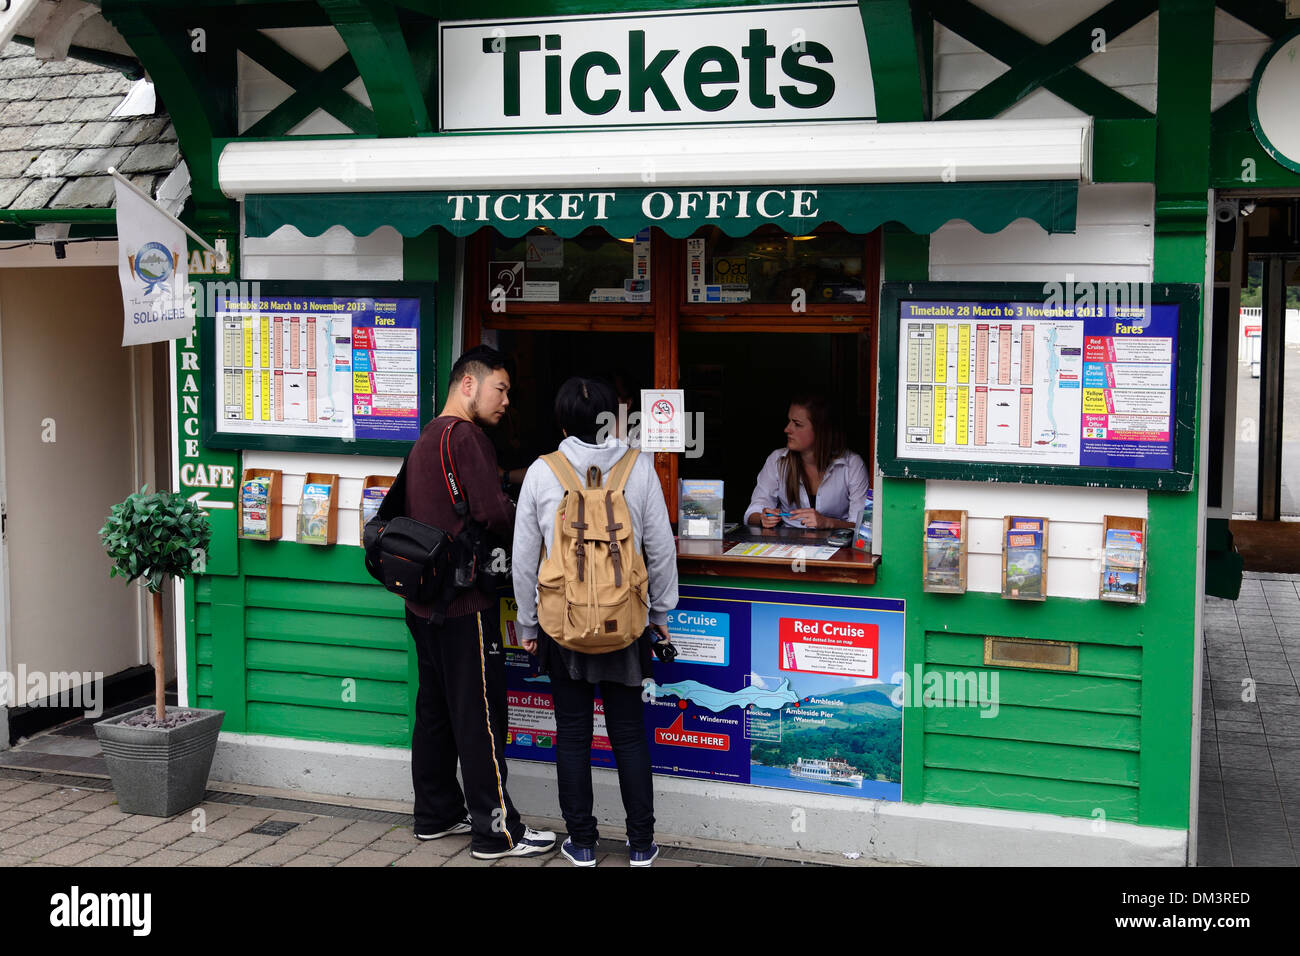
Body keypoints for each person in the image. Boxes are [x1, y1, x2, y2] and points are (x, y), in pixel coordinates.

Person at [512, 376, 679, 867]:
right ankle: (641, 844)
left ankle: (582, 843)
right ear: (613, 419)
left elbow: (525, 559)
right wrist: (662, 613)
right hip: (625, 624)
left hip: (563, 626)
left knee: (573, 732)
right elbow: (660, 547)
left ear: (562, 422)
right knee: (628, 733)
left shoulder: (542, 473)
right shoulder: (639, 467)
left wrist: (527, 626)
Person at [403, 344, 556, 860]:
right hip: (466, 605)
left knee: (436, 712)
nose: (507, 400)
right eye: (501, 388)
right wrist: (526, 511)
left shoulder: (426, 437)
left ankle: (435, 814)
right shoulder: (467, 436)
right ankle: (496, 833)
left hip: (423, 605)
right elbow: (492, 512)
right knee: (482, 718)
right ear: (468, 384)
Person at [745, 391, 870, 531]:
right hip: (788, 546)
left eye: (797, 424)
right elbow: (753, 512)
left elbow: (862, 526)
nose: (787, 429)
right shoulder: (778, 460)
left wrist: (828, 523)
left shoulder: (851, 465)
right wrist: (763, 518)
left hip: (837, 547)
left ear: (820, 430)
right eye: (789, 421)